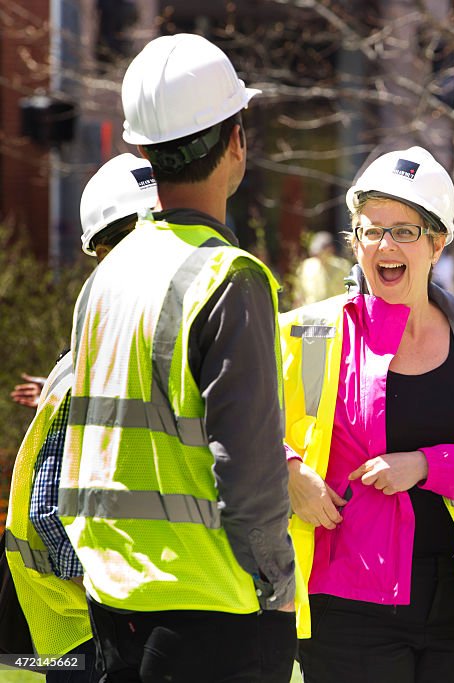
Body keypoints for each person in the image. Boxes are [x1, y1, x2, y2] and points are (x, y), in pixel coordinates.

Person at [58, 34, 295, 681]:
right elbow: (249, 471)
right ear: (236, 139)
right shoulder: (230, 276)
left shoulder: (106, 277)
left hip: (112, 600)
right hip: (212, 607)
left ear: (144, 150)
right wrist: (277, 585)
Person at [282, 145, 454, 683]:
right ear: (354, 241)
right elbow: (237, 424)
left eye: (403, 231)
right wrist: (287, 472)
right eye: (370, 230)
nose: (384, 245)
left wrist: (427, 465)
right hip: (344, 603)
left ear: (437, 241)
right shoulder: (308, 334)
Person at [6, 153, 156, 683]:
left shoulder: (111, 346)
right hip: (98, 627)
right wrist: (120, 582)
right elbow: (48, 510)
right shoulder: (99, 357)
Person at [294, 230, 353, 305]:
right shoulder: (306, 266)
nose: (319, 256)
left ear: (330, 249)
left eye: (322, 251)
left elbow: (351, 292)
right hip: (311, 312)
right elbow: (299, 294)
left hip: (336, 311)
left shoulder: (343, 266)